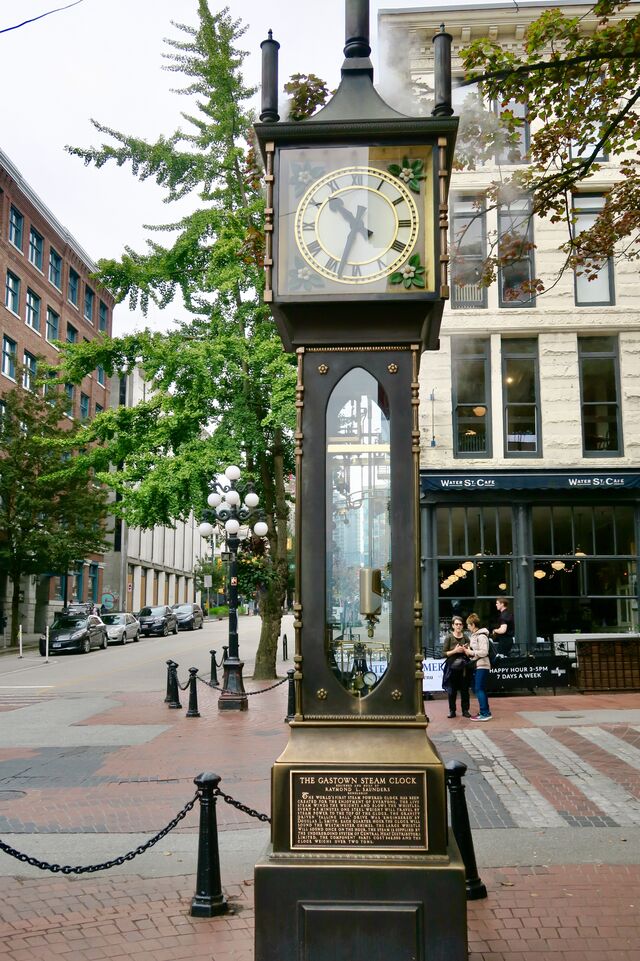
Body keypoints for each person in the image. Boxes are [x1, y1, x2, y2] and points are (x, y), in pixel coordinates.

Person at [441, 616, 471, 718]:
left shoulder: (466, 637)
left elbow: (470, 653)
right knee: (452, 690)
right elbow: (444, 653)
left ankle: (465, 710)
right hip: (452, 667)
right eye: (456, 624)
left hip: (464, 668)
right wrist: (455, 651)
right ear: (453, 625)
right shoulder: (449, 637)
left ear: (463, 626)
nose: (458, 626)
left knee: (464, 690)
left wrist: (465, 650)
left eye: (460, 624)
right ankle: (452, 710)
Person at [464, 612, 492, 721]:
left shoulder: (481, 636)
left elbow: (484, 652)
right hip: (479, 665)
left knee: (479, 689)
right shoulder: (475, 636)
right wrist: (469, 649)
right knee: (480, 689)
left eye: (469, 625)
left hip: (483, 665)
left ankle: (485, 713)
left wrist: (471, 652)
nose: (468, 627)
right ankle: (485, 711)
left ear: (473, 625)